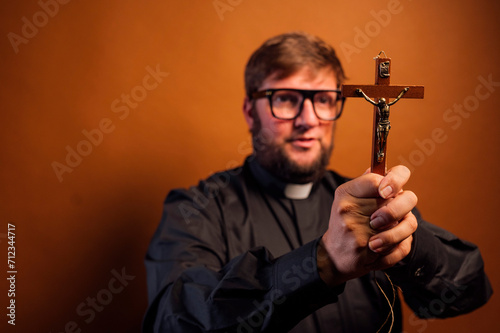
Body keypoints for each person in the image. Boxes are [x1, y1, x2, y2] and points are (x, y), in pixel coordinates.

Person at [142, 32, 492, 332]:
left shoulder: (370, 204)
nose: (308, 120)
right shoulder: (196, 210)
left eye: (324, 100)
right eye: (285, 99)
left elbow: (471, 289)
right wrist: (321, 263)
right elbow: (172, 322)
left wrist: (407, 245)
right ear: (250, 112)